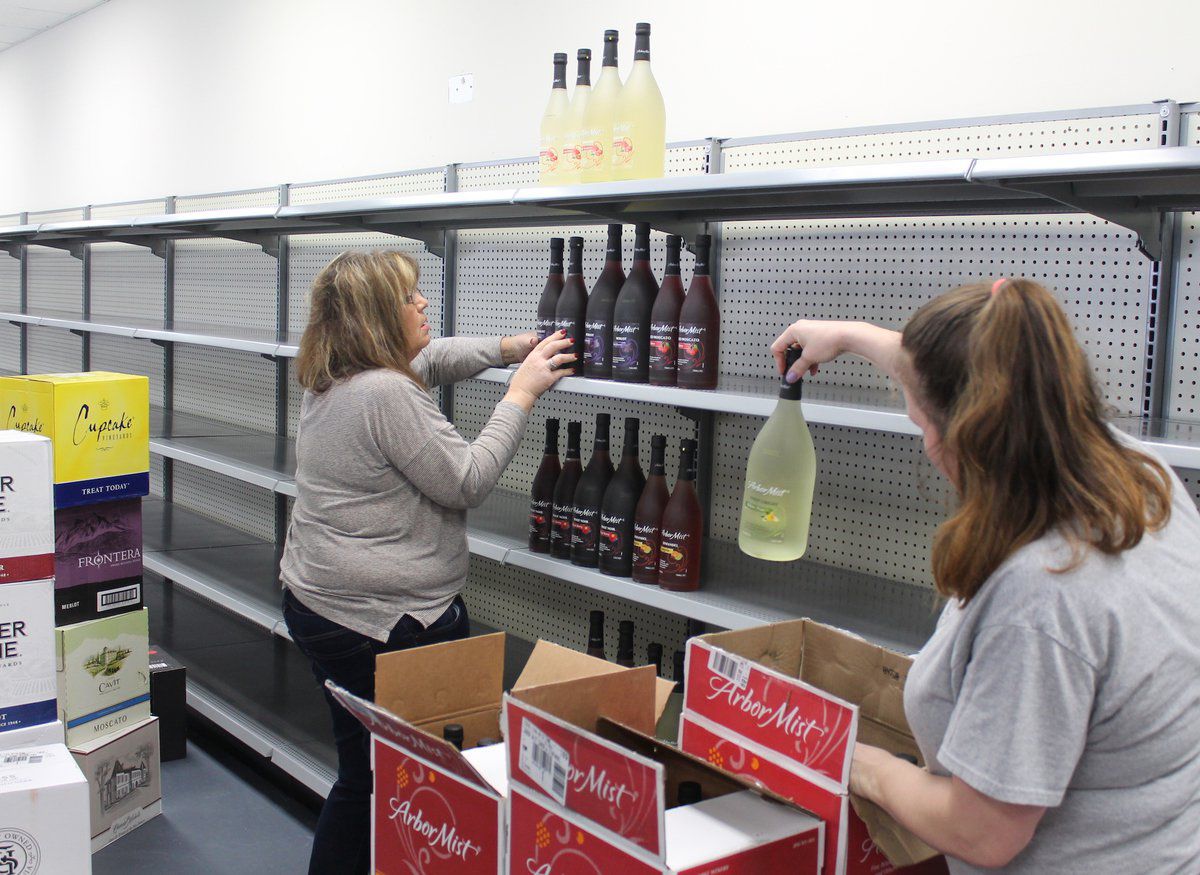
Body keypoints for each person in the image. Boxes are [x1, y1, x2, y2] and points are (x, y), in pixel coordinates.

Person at [772, 278, 1200, 873]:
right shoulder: (1138, 472)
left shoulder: (1044, 592)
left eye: (924, 424)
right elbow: (968, 369)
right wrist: (848, 336)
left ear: (969, 432)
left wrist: (857, 762)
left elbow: (983, 833)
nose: (925, 444)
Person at [279, 249, 573, 874]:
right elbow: (465, 479)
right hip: (379, 620)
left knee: (363, 766)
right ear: (378, 318)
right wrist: (521, 393)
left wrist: (507, 348)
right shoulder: (385, 392)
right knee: (374, 779)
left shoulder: (336, 371)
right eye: (408, 298)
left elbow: (433, 359)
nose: (422, 304)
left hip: (321, 601)